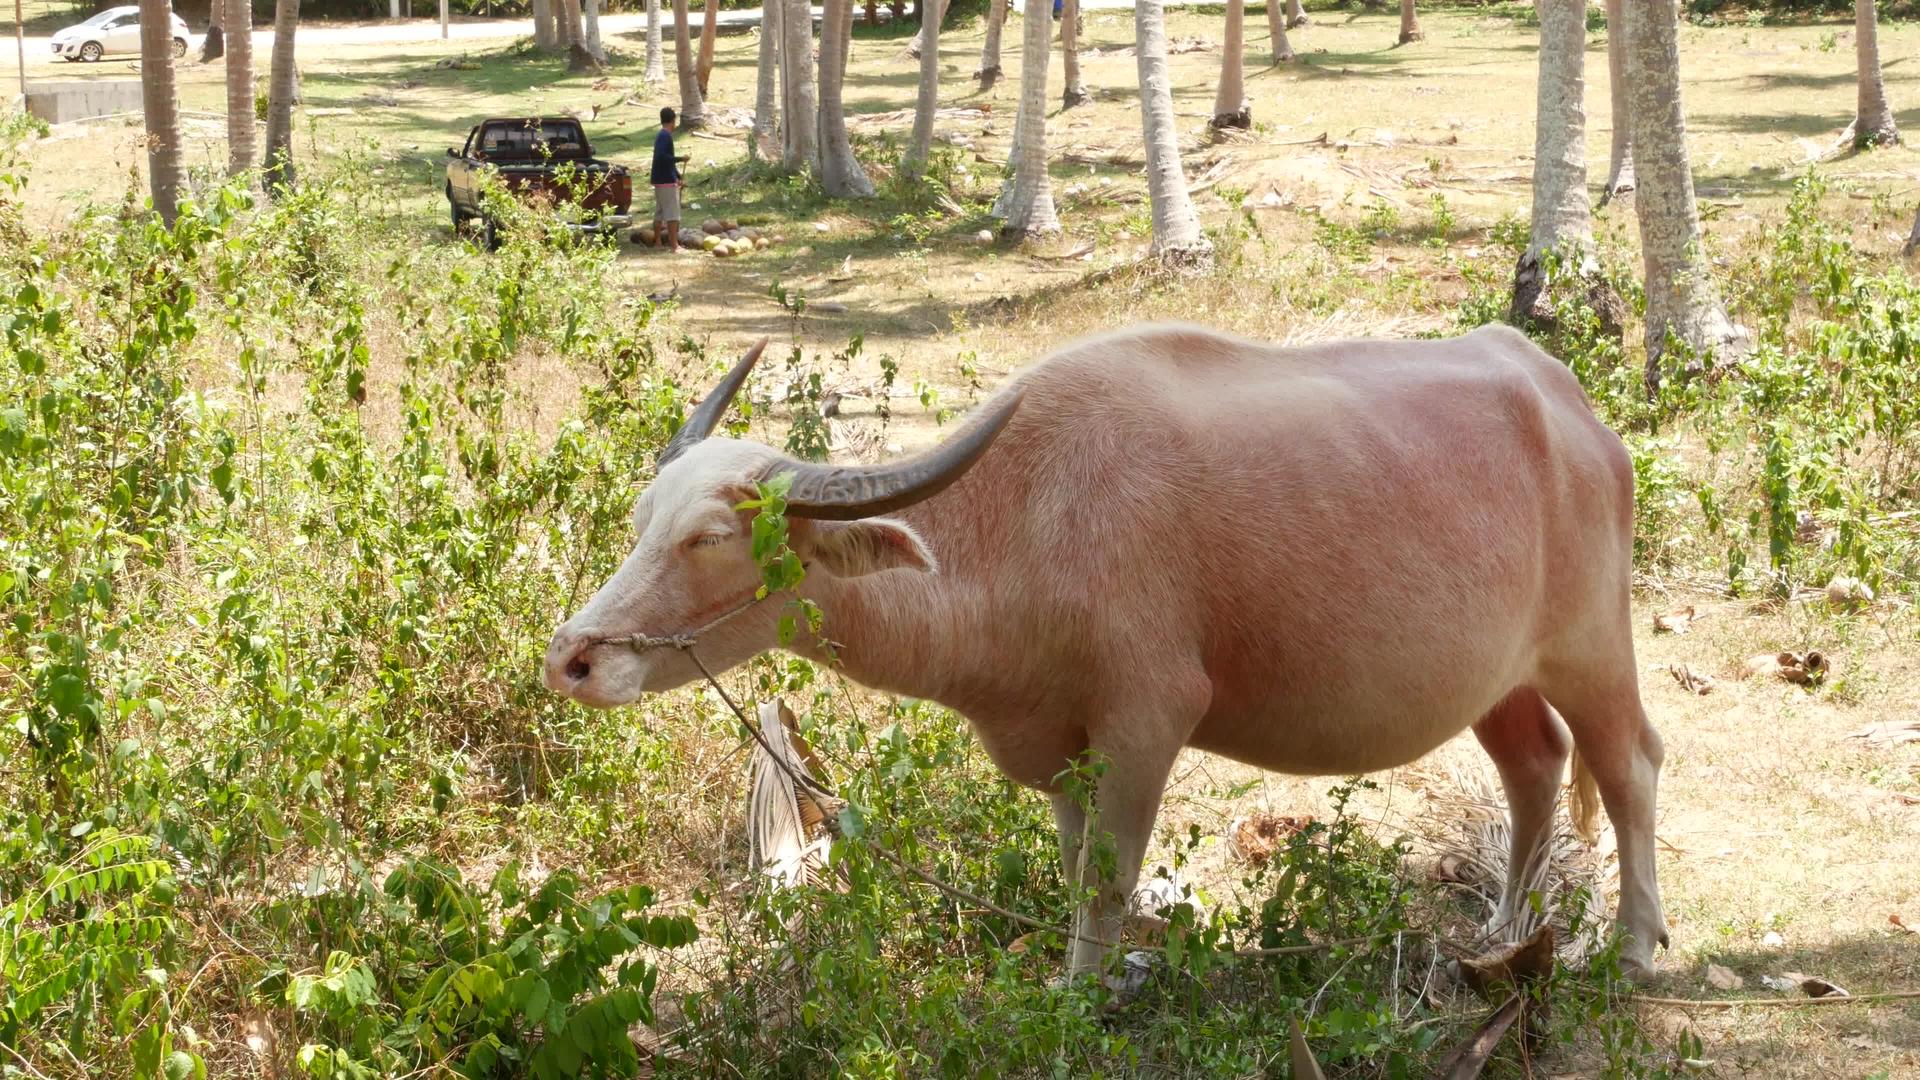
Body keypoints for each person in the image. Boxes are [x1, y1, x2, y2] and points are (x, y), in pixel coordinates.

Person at [651, 107, 692, 252]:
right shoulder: (665, 136)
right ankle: (674, 246)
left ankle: (657, 242)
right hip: (666, 181)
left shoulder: (660, 135)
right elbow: (663, 157)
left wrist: (678, 176)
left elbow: (666, 161)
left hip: (660, 179)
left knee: (660, 212)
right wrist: (681, 159)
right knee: (672, 214)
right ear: (673, 120)